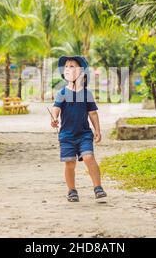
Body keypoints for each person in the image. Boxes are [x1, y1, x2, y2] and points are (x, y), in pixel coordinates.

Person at [50, 56, 107, 202]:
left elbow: (93, 113)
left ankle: (98, 187)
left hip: (84, 134)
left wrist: (97, 131)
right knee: (70, 163)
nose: (69, 69)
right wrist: (54, 118)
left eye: (73, 66)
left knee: (89, 157)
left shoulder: (87, 94)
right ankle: (72, 190)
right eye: (67, 67)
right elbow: (55, 108)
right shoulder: (62, 93)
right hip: (67, 136)